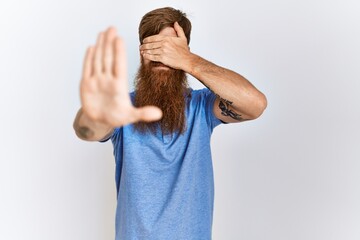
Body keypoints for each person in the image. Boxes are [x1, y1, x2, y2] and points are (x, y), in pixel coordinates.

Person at [73, 7, 267, 240]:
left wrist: (190, 61)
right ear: (142, 52)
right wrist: (96, 110)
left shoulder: (201, 107)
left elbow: (255, 104)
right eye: (154, 48)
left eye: (171, 49)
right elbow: (87, 130)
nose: (162, 58)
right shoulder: (124, 108)